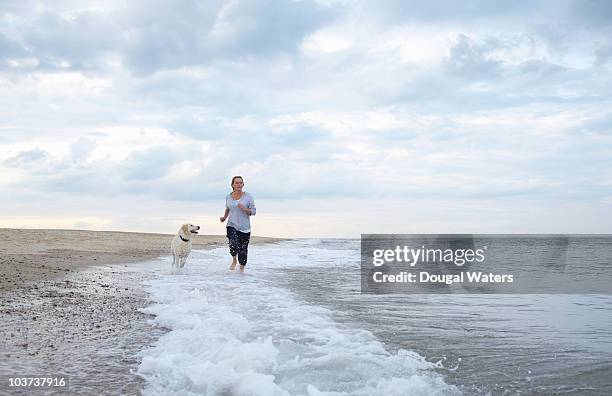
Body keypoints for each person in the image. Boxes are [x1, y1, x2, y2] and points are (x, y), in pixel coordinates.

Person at [219, 176, 256, 273]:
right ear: (232, 185)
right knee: (233, 243)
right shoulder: (228, 197)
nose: (239, 184)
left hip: (245, 227)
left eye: (240, 182)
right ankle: (234, 260)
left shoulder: (248, 196)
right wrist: (224, 217)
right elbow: (228, 208)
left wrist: (245, 209)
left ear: (243, 184)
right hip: (232, 224)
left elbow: (253, 211)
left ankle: (242, 270)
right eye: (236, 183)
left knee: (243, 250)